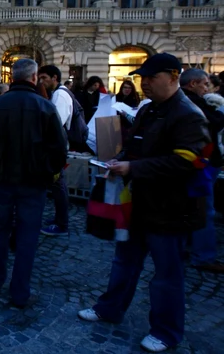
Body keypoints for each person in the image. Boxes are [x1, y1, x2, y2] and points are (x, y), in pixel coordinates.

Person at [78, 53, 209, 353]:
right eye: (142, 78)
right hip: (137, 203)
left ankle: (166, 332)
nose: (144, 83)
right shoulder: (150, 110)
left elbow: (190, 161)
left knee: (166, 275)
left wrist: (132, 169)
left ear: (174, 76)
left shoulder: (188, 114)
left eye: (151, 77)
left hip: (170, 210)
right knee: (124, 261)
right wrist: (119, 160)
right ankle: (109, 308)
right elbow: (135, 146)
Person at [0, 59, 66, 307]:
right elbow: (59, 149)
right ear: (34, 76)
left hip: (1, 180)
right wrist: (48, 173)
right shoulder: (44, 106)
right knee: (27, 236)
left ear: (14, 76)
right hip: (32, 182)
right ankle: (19, 291)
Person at [179, 69, 224, 273]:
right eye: (204, 84)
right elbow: (215, 123)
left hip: (200, 161)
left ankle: (188, 247)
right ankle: (203, 255)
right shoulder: (193, 103)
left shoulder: (190, 101)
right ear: (193, 84)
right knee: (204, 209)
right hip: (200, 162)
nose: (207, 88)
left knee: (194, 207)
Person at [37, 65, 73, 237]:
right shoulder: (58, 94)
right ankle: (59, 219)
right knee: (57, 185)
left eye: (44, 78)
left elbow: (55, 123)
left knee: (59, 185)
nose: (41, 81)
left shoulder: (60, 95)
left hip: (56, 147)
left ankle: (62, 223)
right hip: (56, 146)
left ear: (55, 78)